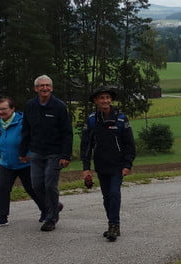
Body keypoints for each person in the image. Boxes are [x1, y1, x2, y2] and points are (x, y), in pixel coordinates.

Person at [19, 75, 73, 232]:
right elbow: (26, 130)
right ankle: (55, 205)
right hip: (36, 152)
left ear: (52, 88)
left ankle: (51, 218)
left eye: (47, 85)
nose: (45, 88)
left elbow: (67, 133)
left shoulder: (59, 106)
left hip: (54, 153)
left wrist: (66, 155)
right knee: (36, 185)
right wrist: (23, 151)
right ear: (35, 88)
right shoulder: (30, 106)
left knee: (50, 184)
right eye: (41, 86)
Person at [80, 87, 135, 242]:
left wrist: (127, 164)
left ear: (111, 100)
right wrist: (86, 168)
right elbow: (86, 145)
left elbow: (129, 144)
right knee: (106, 197)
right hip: (101, 165)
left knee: (114, 194)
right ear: (95, 101)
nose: (105, 100)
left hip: (118, 165)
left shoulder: (121, 118)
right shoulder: (91, 120)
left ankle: (114, 225)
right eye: (102, 98)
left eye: (107, 97)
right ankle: (112, 224)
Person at [0, 97, 47, 226]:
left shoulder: (23, 122)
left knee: (32, 189)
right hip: (6, 163)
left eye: (4, 109)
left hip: (25, 163)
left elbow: (35, 139)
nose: (1, 112)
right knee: (3, 189)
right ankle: (2, 217)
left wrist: (29, 155)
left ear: (12, 109)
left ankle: (47, 210)